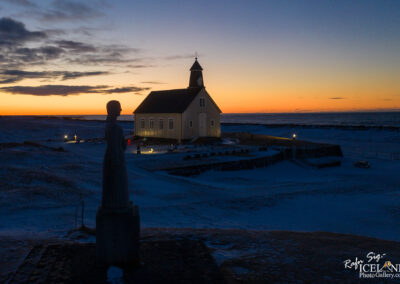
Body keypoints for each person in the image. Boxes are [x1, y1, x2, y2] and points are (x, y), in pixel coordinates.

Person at [102, 100, 129, 209]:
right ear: (112, 110)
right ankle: (117, 204)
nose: (121, 110)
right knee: (116, 183)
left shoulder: (111, 125)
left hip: (116, 156)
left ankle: (117, 203)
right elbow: (114, 146)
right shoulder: (113, 127)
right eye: (119, 107)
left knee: (116, 184)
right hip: (115, 158)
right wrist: (116, 162)